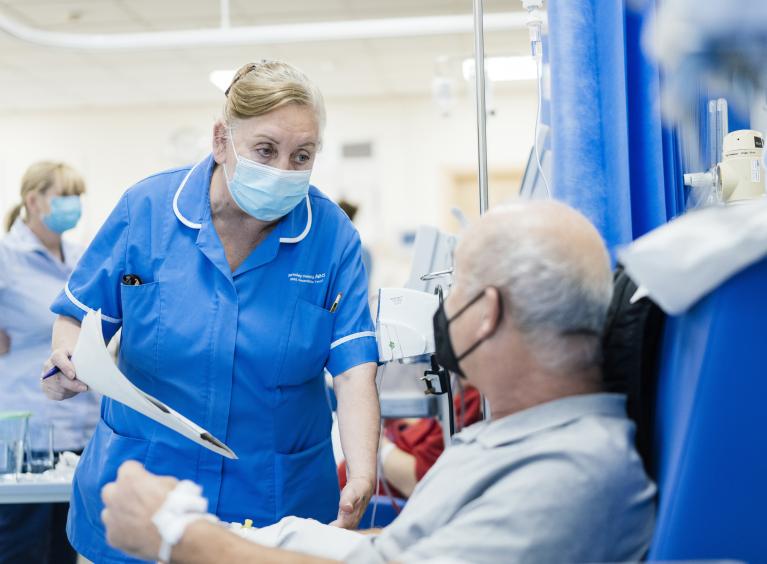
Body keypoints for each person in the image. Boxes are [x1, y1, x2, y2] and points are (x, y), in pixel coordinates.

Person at [99, 200, 657, 564]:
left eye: (453, 289)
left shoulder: (570, 474)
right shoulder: (513, 438)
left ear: (486, 313)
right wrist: (263, 539)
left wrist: (181, 537)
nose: (440, 308)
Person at [41, 61, 380, 563]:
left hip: (274, 505)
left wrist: (362, 470)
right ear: (221, 140)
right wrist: (64, 359)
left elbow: (353, 369)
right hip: (142, 493)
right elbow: (76, 316)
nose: (284, 170)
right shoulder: (148, 209)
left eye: (301, 156)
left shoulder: (330, 236)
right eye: (265, 150)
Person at [0, 161, 100, 563]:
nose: (73, 205)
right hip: (28, 431)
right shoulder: (9, 255)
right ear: (33, 201)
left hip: (82, 427)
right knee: (22, 547)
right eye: (64, 196)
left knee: (65, 548)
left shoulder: (82, 256)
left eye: (78, 196)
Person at [339, 384, 482, 499]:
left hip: (370, 501)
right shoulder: (462, 396)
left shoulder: (471, 402)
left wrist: (374, 441)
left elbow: (418, 482)